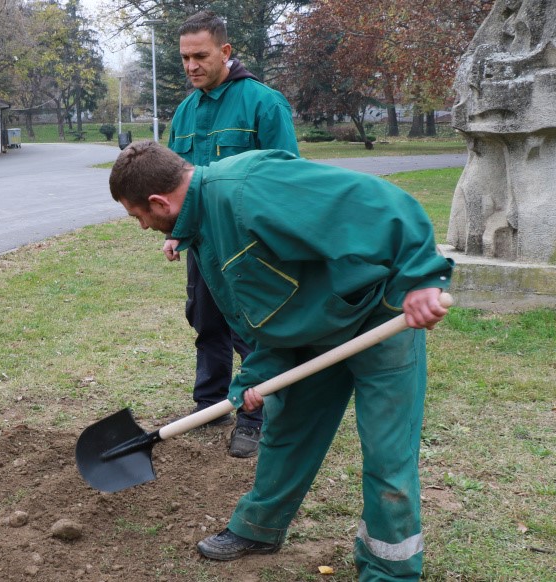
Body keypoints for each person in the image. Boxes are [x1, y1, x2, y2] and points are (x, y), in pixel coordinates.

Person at [110, 140, 452, 581]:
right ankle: (259, 528)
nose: (141, 226)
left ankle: (389, 567)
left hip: (376, 318)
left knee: (387, 452)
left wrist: (423, 277)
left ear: (159, 202)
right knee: (287, 431)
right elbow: (263, 309)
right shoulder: (205, 232)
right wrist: (256, 375)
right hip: (310, 334)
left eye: (138, 216)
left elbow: (380, 202)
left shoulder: (249, 188)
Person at [164, 11, 301, 458]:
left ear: (225, 52)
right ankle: (210, 404)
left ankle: (255, 416)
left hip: (248, 248)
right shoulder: (185, 112)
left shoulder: (264, 103)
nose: (190, 66)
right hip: (202, 246)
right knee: (206, 324)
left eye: (200, 56)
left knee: (252, 331)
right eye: (184, 58)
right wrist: (174, 231)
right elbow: (173, 182)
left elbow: (285, 178)